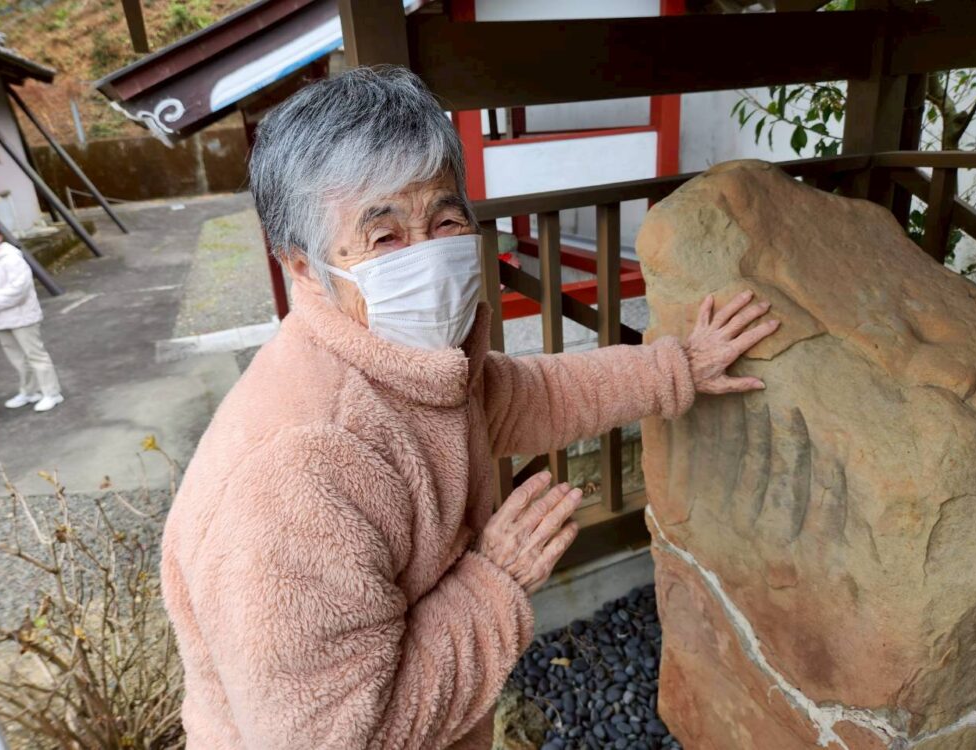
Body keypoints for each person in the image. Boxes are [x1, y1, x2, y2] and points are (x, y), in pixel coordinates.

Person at [161, 67, 779, 750]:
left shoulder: (405, 366)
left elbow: (533, 395)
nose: (430, 255)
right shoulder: (298, 474)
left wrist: (680, 367)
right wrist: (497, 582)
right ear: (302, 266)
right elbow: (338, 740)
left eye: (446, 219)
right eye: (386, 236)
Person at [0, 224, 63, 413]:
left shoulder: (12, 258)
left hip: (22, 316)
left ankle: (52, 393)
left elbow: (18, 290)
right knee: (17, 359)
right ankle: (29, 391)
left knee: (35, 355)